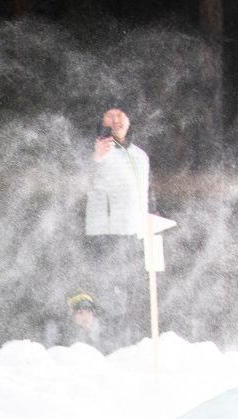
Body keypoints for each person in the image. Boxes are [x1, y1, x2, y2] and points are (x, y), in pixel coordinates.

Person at [82, 106, 150, 346]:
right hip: (104, 232)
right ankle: (99, 344)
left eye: (121, 114)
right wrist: (95, 159)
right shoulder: (94, 150)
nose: (116, 119)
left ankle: (126, 343)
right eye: (110, 115)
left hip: (134, 233)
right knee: (105, 289)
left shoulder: (140, 155)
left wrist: (147, 224)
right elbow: (80, 182)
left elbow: (144, 195)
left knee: (129, 291)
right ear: (101, 121)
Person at [44, 291, 113, 353]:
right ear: (72, 315)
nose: (85, 316)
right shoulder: (61, 337)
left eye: (88, 312)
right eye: (80, 312)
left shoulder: (104, 337)